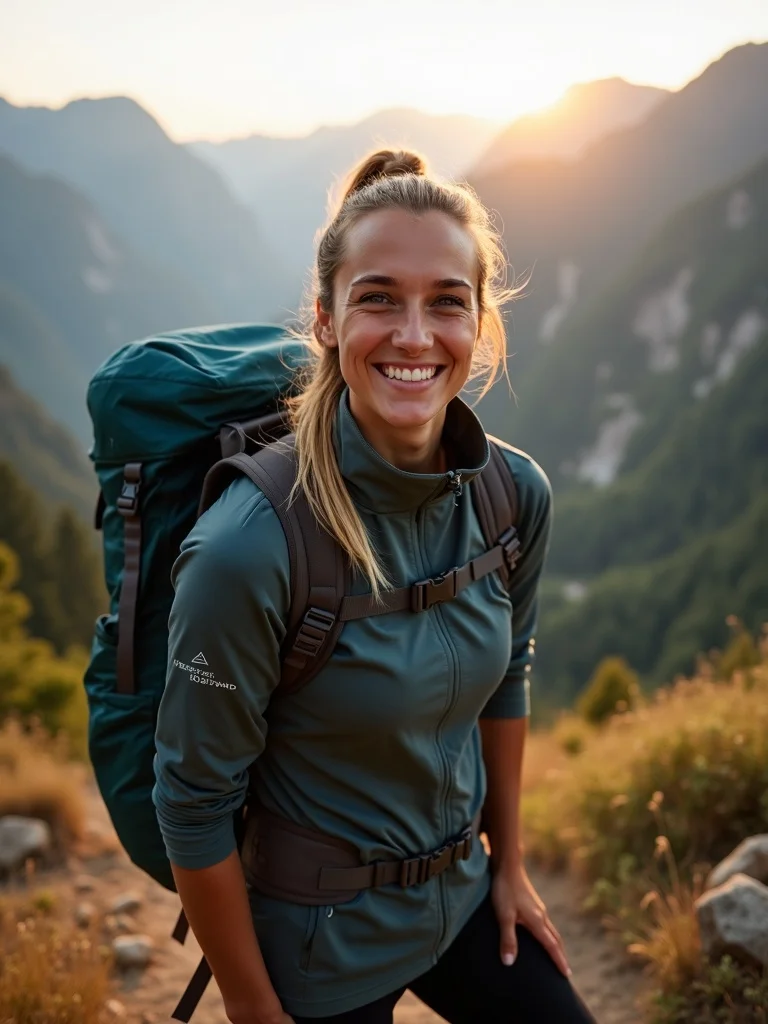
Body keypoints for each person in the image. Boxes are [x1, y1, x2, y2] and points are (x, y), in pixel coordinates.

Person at [152, 149, 596, 1024]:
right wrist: (250, 1003)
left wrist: (508, 863)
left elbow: (510, 670)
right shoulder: (249, 547)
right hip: (316, 944)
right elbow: (191, 803)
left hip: (463, 899)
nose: (415, 335)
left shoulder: (515, 497)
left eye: (446, 302)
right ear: (325, 320)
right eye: (379, 298)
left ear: (482, 324)